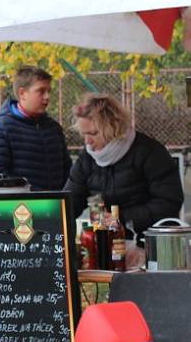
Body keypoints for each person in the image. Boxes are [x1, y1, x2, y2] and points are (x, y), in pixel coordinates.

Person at [65, 93, 183, 238]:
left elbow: (169, 202)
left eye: (93, 133)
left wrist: (121, 218)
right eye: (84, 134)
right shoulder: (87, 159)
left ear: (112, 127)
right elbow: (69, 203)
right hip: (106, 242)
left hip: (149, 241)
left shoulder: (150, 152)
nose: (87, 141)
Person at [0, 66, 71, 190]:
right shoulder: (2, 129)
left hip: (54, 206)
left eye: (49, 91)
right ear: (22, 93)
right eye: (41, 91)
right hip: (19, 207)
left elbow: (67, 170)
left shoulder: (53, 128)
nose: (47, 97)